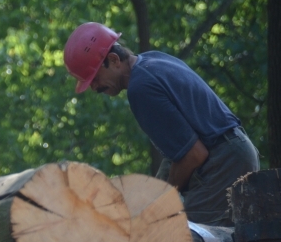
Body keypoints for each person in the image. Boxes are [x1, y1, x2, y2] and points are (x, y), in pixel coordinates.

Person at [63, 22, 259, 226]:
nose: (93, 87)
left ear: (113, 60)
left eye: (94, 78)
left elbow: (193, 154)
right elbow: (178, 150)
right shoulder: (153, 60)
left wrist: (160, 205)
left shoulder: (140, 88)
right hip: (237, 152)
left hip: (224, 163)